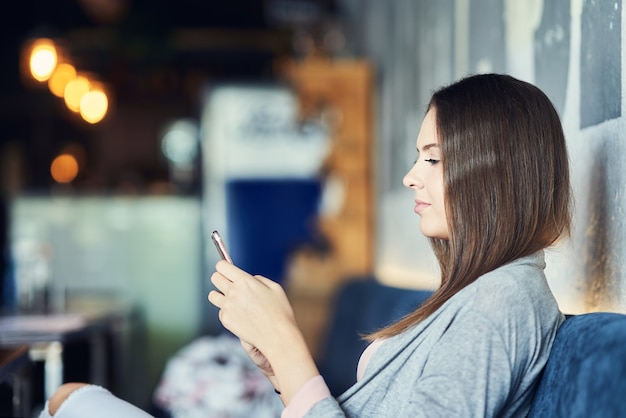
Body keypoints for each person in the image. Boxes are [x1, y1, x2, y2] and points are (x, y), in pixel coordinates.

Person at [39, 73, 572, 418]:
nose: (411, 177)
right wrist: (277, 367)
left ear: (495, 173)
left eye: (432, 159)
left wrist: (289, 344)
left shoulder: (504, 300)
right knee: (71, 399)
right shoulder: (482, 292)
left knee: (70, 399)